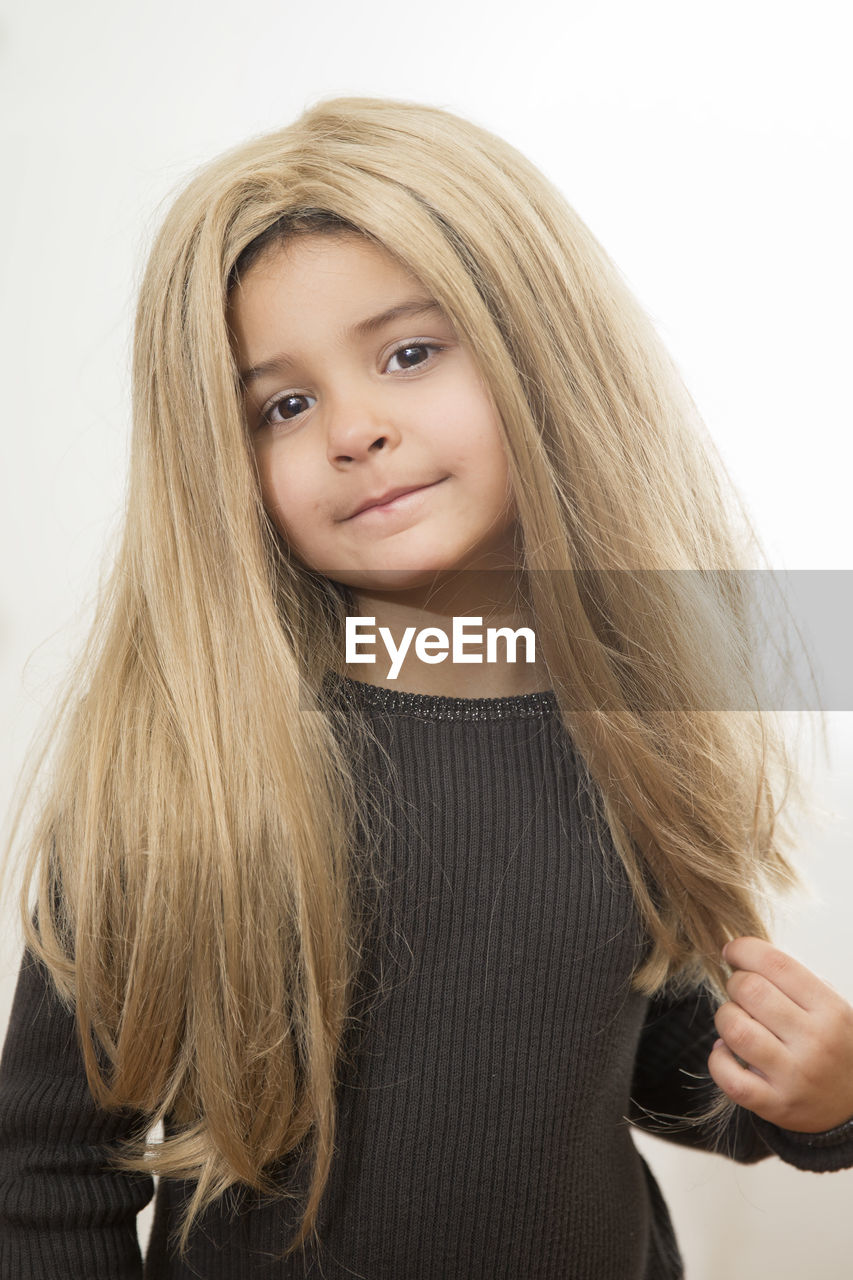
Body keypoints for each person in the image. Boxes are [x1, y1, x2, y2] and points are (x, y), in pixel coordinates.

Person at [1, 95, 851, 1280]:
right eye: (283, 406)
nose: (355, 428)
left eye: (409, 352)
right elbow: (44, 1174)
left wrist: (807, 1096)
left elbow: (616, 1046)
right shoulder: (191, 774)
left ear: (534, 353)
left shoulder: (632, 729)